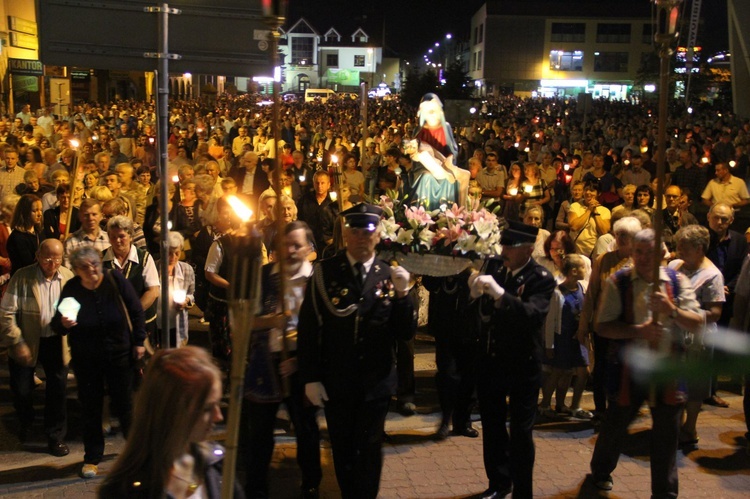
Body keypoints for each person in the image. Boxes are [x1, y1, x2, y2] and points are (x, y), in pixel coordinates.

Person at [297, 204, 415, 499]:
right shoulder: (325, 272)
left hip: (375, 383)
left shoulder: (389, 274)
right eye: (356, 232)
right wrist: (309, 377)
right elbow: (309, 329)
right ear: (345, 235)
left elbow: (405, 333)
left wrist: (403, 296)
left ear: (378, 237)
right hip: (337, 380)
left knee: (370, 448)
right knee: (343, 447)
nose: (362, 238)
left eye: (369, 232)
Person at [587, 228, 702, 497]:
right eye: (638, 251)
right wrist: (639, 331)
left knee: (666, 437)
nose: (643, 257)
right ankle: (601, 471)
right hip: (629, 370)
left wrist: (671, 310)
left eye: (650, 252)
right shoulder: (621, 281)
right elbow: (602, 326)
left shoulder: (676, 282)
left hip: (667, 372)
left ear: (662, 253)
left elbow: (697, 323)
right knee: (615, 426)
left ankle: (664, 493)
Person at [468, 220, 556, 498]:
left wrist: (500, 295)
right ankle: (498, 483)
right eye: (503, 244)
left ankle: (523, 491)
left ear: (529, 249)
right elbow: (483, 314)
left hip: (522, 364)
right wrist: (474, 294)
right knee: (493, 428)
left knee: (521, 433)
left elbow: (532, 315)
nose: (504, 250)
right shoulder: (496, 268)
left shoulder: (540, 278)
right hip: (492, 361)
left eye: (511, 245)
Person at [240, 221, 322, 499]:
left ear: (309, 248)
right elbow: (247, 321)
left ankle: (311, 484)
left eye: (296, 245)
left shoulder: (316, 280)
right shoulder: (264, 277)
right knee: (259, 432)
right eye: (285, 244)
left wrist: (300, 360)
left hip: (304, 363)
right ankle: (257, 487)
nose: (289, 250)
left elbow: (324, 330)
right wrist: (273, 320)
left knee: (306, 428)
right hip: (266, 362)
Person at [51, 246, 146, 478]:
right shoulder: (72, 288)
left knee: (125, 407)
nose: (92, 270)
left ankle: (138, 455)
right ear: (76, 270)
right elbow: (56, 324)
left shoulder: (114, 279)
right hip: (87, 360)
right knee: (91, 409)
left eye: (94, 264)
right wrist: (63, 324)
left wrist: (139, 341)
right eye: (85, 267)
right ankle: (92, 458)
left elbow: (136, 310)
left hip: (119, 355)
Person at [98, 347, 241, 498]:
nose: (218, 417)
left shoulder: (214, 464)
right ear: (173, 411)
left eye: (218, 404)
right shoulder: (126, 492)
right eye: (207, 408)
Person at [0, 239, 75, 455]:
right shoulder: (22, 277)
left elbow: (72, 308)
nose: (52, 263)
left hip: (56, 340)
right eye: (47, 258)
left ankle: (55, 436)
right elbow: (6, 313)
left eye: (57, 258)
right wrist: (16, 341)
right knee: (22, 389)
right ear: (37, 255)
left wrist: (70, 319)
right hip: (27, 339)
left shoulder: (68, 277)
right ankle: (26, 421)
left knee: (58, 390)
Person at [577, 216, 642, 421]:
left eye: (626, 235)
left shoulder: (640, 261)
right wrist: (584, 323)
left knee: (625, 368)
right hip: (603, 324)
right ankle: (600, 409)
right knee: (602, 368)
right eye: (618, 234)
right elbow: (592, 293)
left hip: (629, 326)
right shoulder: (604, 259)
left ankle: (621, 409)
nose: (621, 238)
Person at [668, 224, 724, 448]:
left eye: (684, 248)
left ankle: (690, 428)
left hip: (698, 340)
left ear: (699, 248)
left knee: (694, 385)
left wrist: (681, 311)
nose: (679, 252)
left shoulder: (712, 275)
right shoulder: (674, 266)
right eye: (678, 246)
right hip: (674, 335)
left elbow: (715, 313)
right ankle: (675, 425)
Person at [422, 268, 480, 440]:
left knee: (469, 377)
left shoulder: (478, 251)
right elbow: (429, 282)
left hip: (470, 327)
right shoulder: (442, 252)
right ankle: (445, 420)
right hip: (445, 327)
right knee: (447, 375)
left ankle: (463, 421)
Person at [540, 253, 592, 419]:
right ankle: (546, 404)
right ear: (574, 271)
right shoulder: (557, 293)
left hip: (579, 337)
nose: (586, 270)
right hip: (562, 338)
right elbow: (550, 321)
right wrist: (549, 345)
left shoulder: (582, 289)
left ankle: (573, 405)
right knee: (558, 372)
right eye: (583, 267)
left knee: (583, 372)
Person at [102, 216, 160, 348]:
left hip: (142, 323)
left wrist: (132, 312)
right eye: (113, 237)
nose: (117, 241)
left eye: (121, 236)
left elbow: (153, 291)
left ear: (130, 236)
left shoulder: (144, 258)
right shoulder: (101, 259)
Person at [156, 232, 195, 348]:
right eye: (169, 253)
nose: (173, 258)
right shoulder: (153, 267)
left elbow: (191, 294)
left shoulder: (187, 270)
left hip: (177, 323)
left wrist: (186, 300)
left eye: (177, 253)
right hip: (157, 323)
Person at [568, 182, 611, 258]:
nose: (588, 192)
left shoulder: (605, 211)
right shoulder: (575, 206)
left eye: (591, 190)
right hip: (577, 252)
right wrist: (589, 210)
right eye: (586, 190)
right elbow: (574, 227)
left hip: (594, 253)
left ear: (599, 193)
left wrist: (595, 211)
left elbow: (604, 231)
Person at [7, 193, 43, 275]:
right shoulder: (17, 237)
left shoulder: (39, 233)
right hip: (23, 279)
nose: (39, 214)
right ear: (25, 212)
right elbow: (27, 264)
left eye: (40, 210)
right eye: (35, 211)